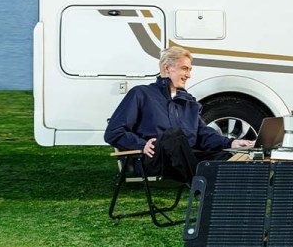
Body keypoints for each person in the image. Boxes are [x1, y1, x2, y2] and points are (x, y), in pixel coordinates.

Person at [104, 46, 254, 182]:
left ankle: (250, 185)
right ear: (167, 68)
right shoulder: (141, 94)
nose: (188, 75)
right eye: (184, 68)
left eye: (189, 70)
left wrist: (230, 143)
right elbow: (113, 132)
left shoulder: (189, 102)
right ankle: (198, 183)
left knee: (224, 156)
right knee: (173, 134)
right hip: (154, 160)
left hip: (185, 159)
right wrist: (142, 145)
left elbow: (203, 134)